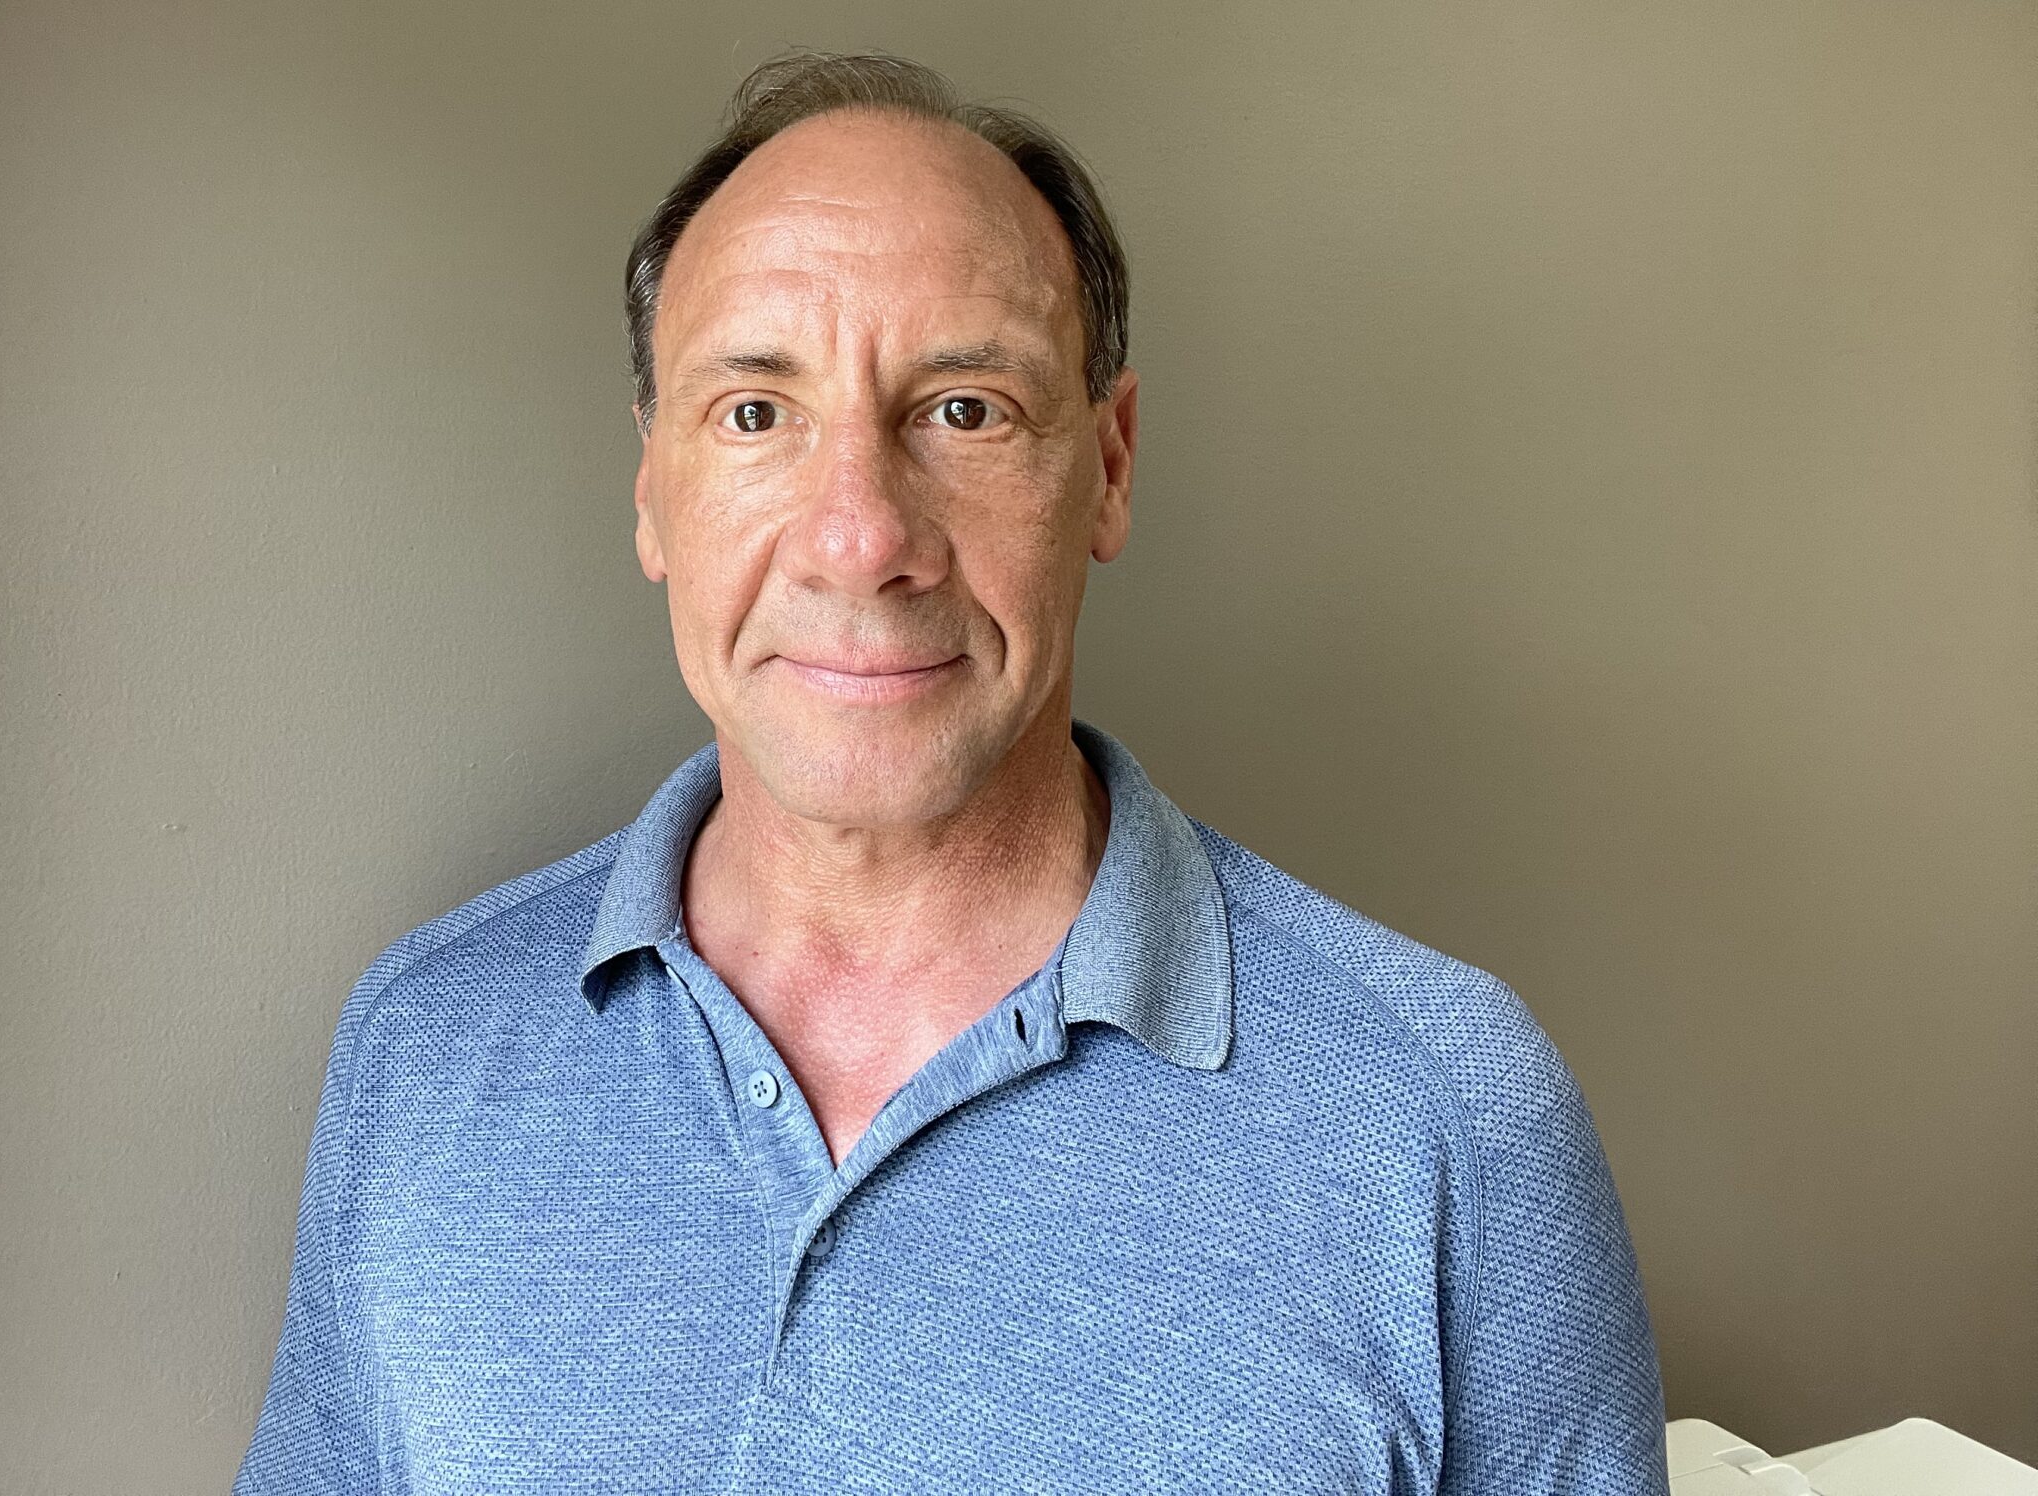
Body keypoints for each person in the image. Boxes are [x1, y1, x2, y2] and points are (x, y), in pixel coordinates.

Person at [236, 50, 1668, 1495]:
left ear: (1109, 466)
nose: (861, 539)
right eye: (754, 412)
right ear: (653, 487)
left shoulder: (1452, 1119)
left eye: (965, 409)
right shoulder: (425, 1051)